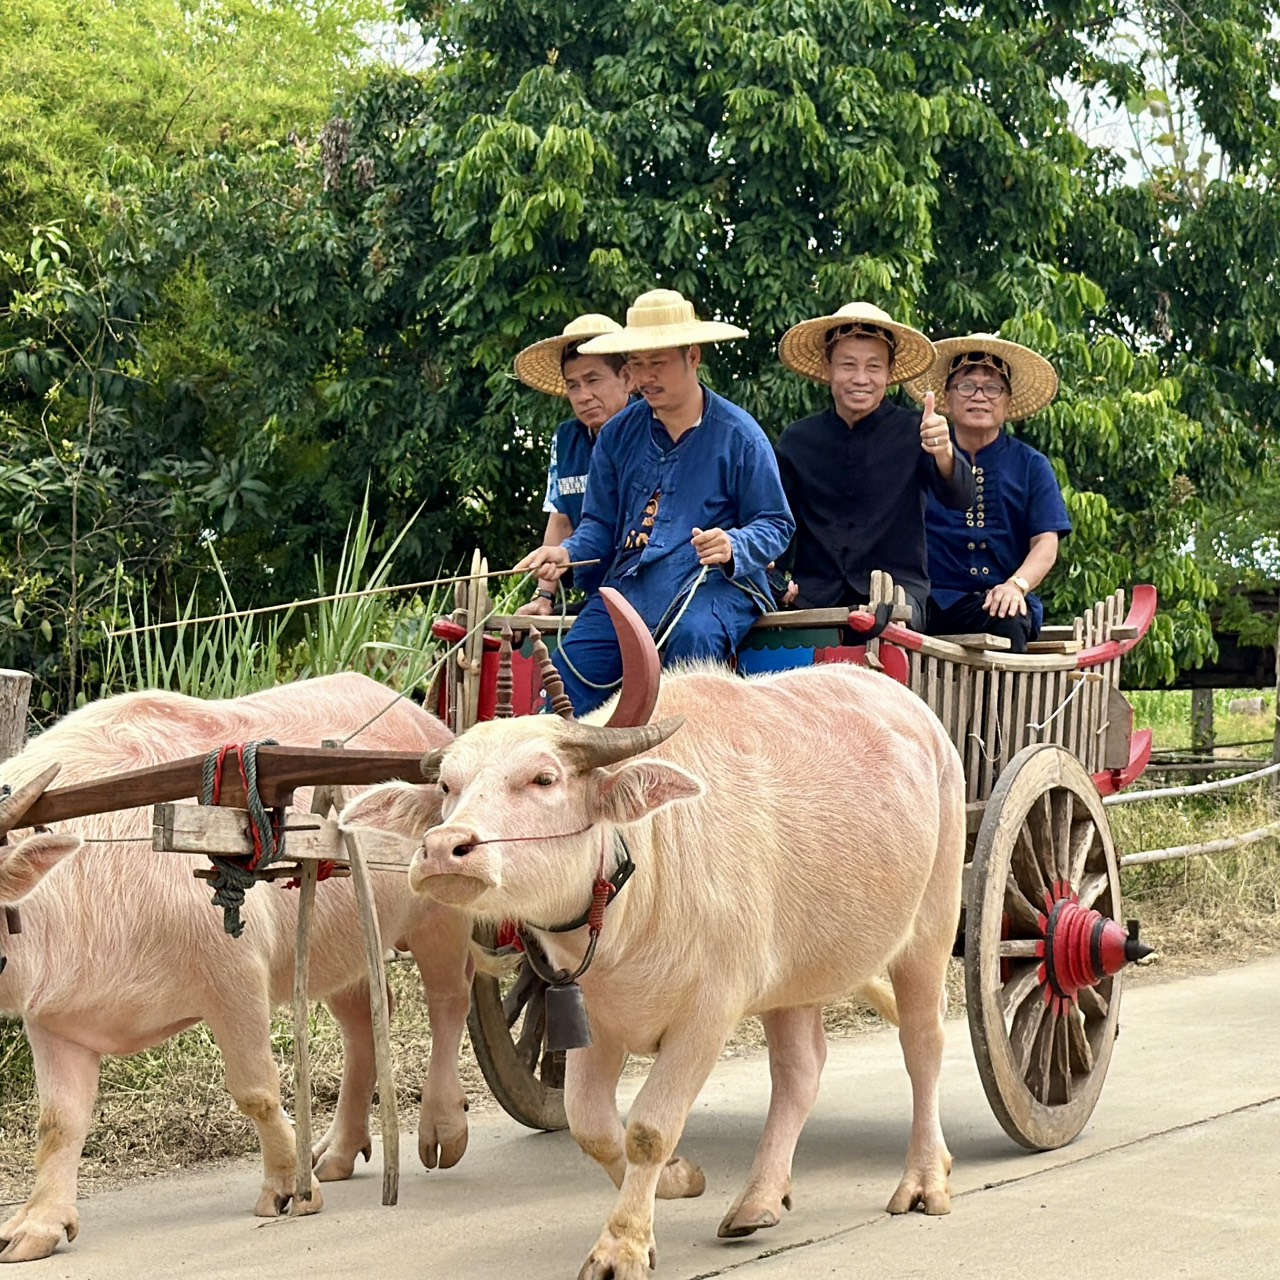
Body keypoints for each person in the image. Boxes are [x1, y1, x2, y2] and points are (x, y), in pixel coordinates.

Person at [514, 288, 795, 715]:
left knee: (694, 639)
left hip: (712, 586)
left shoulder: (740, 434)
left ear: (693, 357)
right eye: (638, 364)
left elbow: (775, 523)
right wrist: (566, 552)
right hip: (631, 587)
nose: (647, 377)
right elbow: (599, 527)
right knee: (567, 681)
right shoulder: (616, 435)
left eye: (658, 363)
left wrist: (733, 544)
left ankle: (694, 767)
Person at [774, 302, 975, 626]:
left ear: (890, 372)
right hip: (814, 597)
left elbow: (961, 498)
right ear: (828, 368)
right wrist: (776, 580)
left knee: (890, 620)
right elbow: (779, 524)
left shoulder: (917, 431)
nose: (860, 378)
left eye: (873, 367)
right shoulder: (797, 440)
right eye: (848, 365)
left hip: (897, 595)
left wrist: (944, 452)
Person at [906, 334, 1071, 653]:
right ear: (947, 397)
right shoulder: (918, 458)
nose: (979, 396)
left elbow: (1046, 542)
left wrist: (1016, 586)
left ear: (1007, 400)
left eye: (992, 387)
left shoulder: (1031, 465)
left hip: (999, 601)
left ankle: (1005, 705)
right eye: (967, 386)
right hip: (929, 600)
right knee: (889, 620)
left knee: (1009, 616)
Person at [512, 314, 633, 618]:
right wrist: (543, 596)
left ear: (627, 378)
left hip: (643, 586)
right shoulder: (568, 439)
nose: (583, 396)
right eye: (573, 386)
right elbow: (561, 520)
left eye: (593, 380)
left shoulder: (650, 429)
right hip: (598, 593)